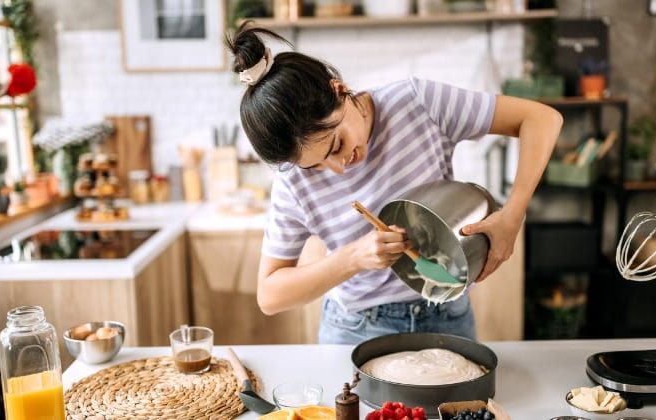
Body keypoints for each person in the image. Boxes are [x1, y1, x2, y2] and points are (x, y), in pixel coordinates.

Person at [225, 22, 562, 345]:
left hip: (447, 315)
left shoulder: (417, 103)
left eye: (338, 144)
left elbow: (541, 118)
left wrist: (514, 214)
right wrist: (354, 257)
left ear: (339, 90)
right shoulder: (293, 183)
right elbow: (270, 296)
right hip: (355, 330)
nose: (339, 168)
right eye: (317, 166)